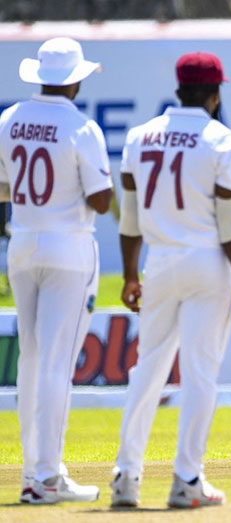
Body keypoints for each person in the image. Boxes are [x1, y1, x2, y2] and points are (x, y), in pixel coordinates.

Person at [110, 52, 231, 508]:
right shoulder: (223, 141)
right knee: (201, 373)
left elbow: (129, 218)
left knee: (148, 370)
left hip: (159, 262)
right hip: (208, 263)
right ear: (216, 94)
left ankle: (125, 475)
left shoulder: (140, 137)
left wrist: (127, 274)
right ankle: (186, 479)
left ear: (178, 90)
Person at [0, 37, 111, 504]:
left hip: (22, 243)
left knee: (31, 360)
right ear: (76, 77)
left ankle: (35, 472)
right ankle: (46, 476)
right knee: (56, 365)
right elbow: (102, 200)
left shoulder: (8, 119)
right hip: (67, 247)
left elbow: (3, 188)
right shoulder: (82, 127)